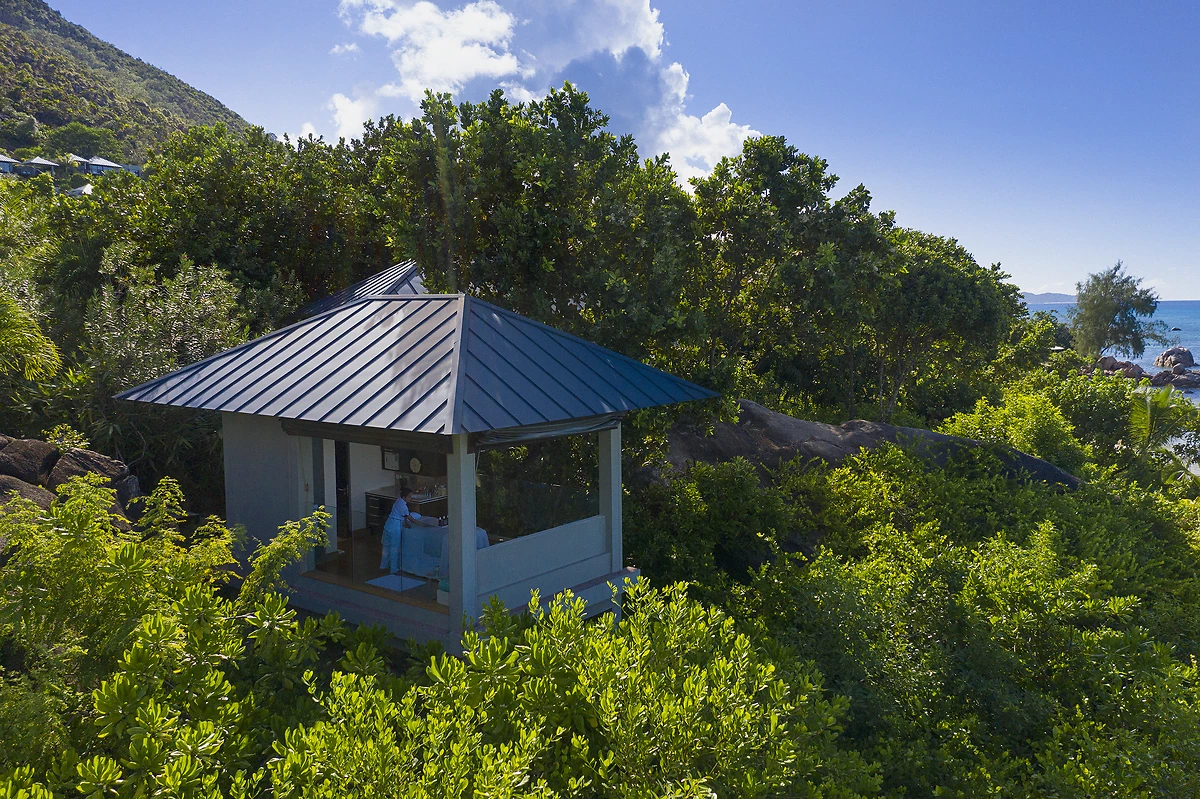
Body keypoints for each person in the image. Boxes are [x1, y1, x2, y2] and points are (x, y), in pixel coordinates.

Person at [379, 487, 435, 574]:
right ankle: (393, 569)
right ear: (404, 497)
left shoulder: (398, 501)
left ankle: (383, 565)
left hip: (388, 525)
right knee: (394, 548)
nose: (410, 498)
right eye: (409, 497)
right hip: (395, 527)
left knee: (386, 546)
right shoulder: (403, 506)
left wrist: (405, 523)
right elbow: (411, 519)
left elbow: (404, 516)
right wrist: (423, 525)